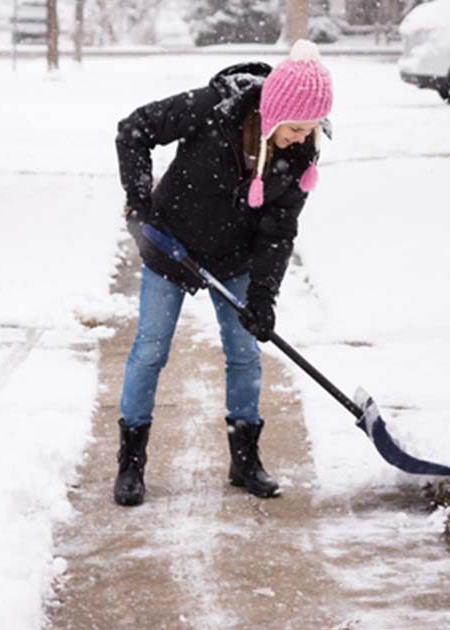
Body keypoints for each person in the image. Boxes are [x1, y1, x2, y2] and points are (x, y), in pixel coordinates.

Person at [112, 41, 334, 507]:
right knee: (150, 350)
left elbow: (278, 233)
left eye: (311, 129)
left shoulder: (299, 158)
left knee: (244, 353)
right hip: (169, 246)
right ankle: (131, 464)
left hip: (234, 260)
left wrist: (263, 298)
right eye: (295, 128)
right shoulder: (212, 109)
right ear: (274, 114)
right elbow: (134, 130)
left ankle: (245, 460)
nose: (301, 137)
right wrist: (139, 201)